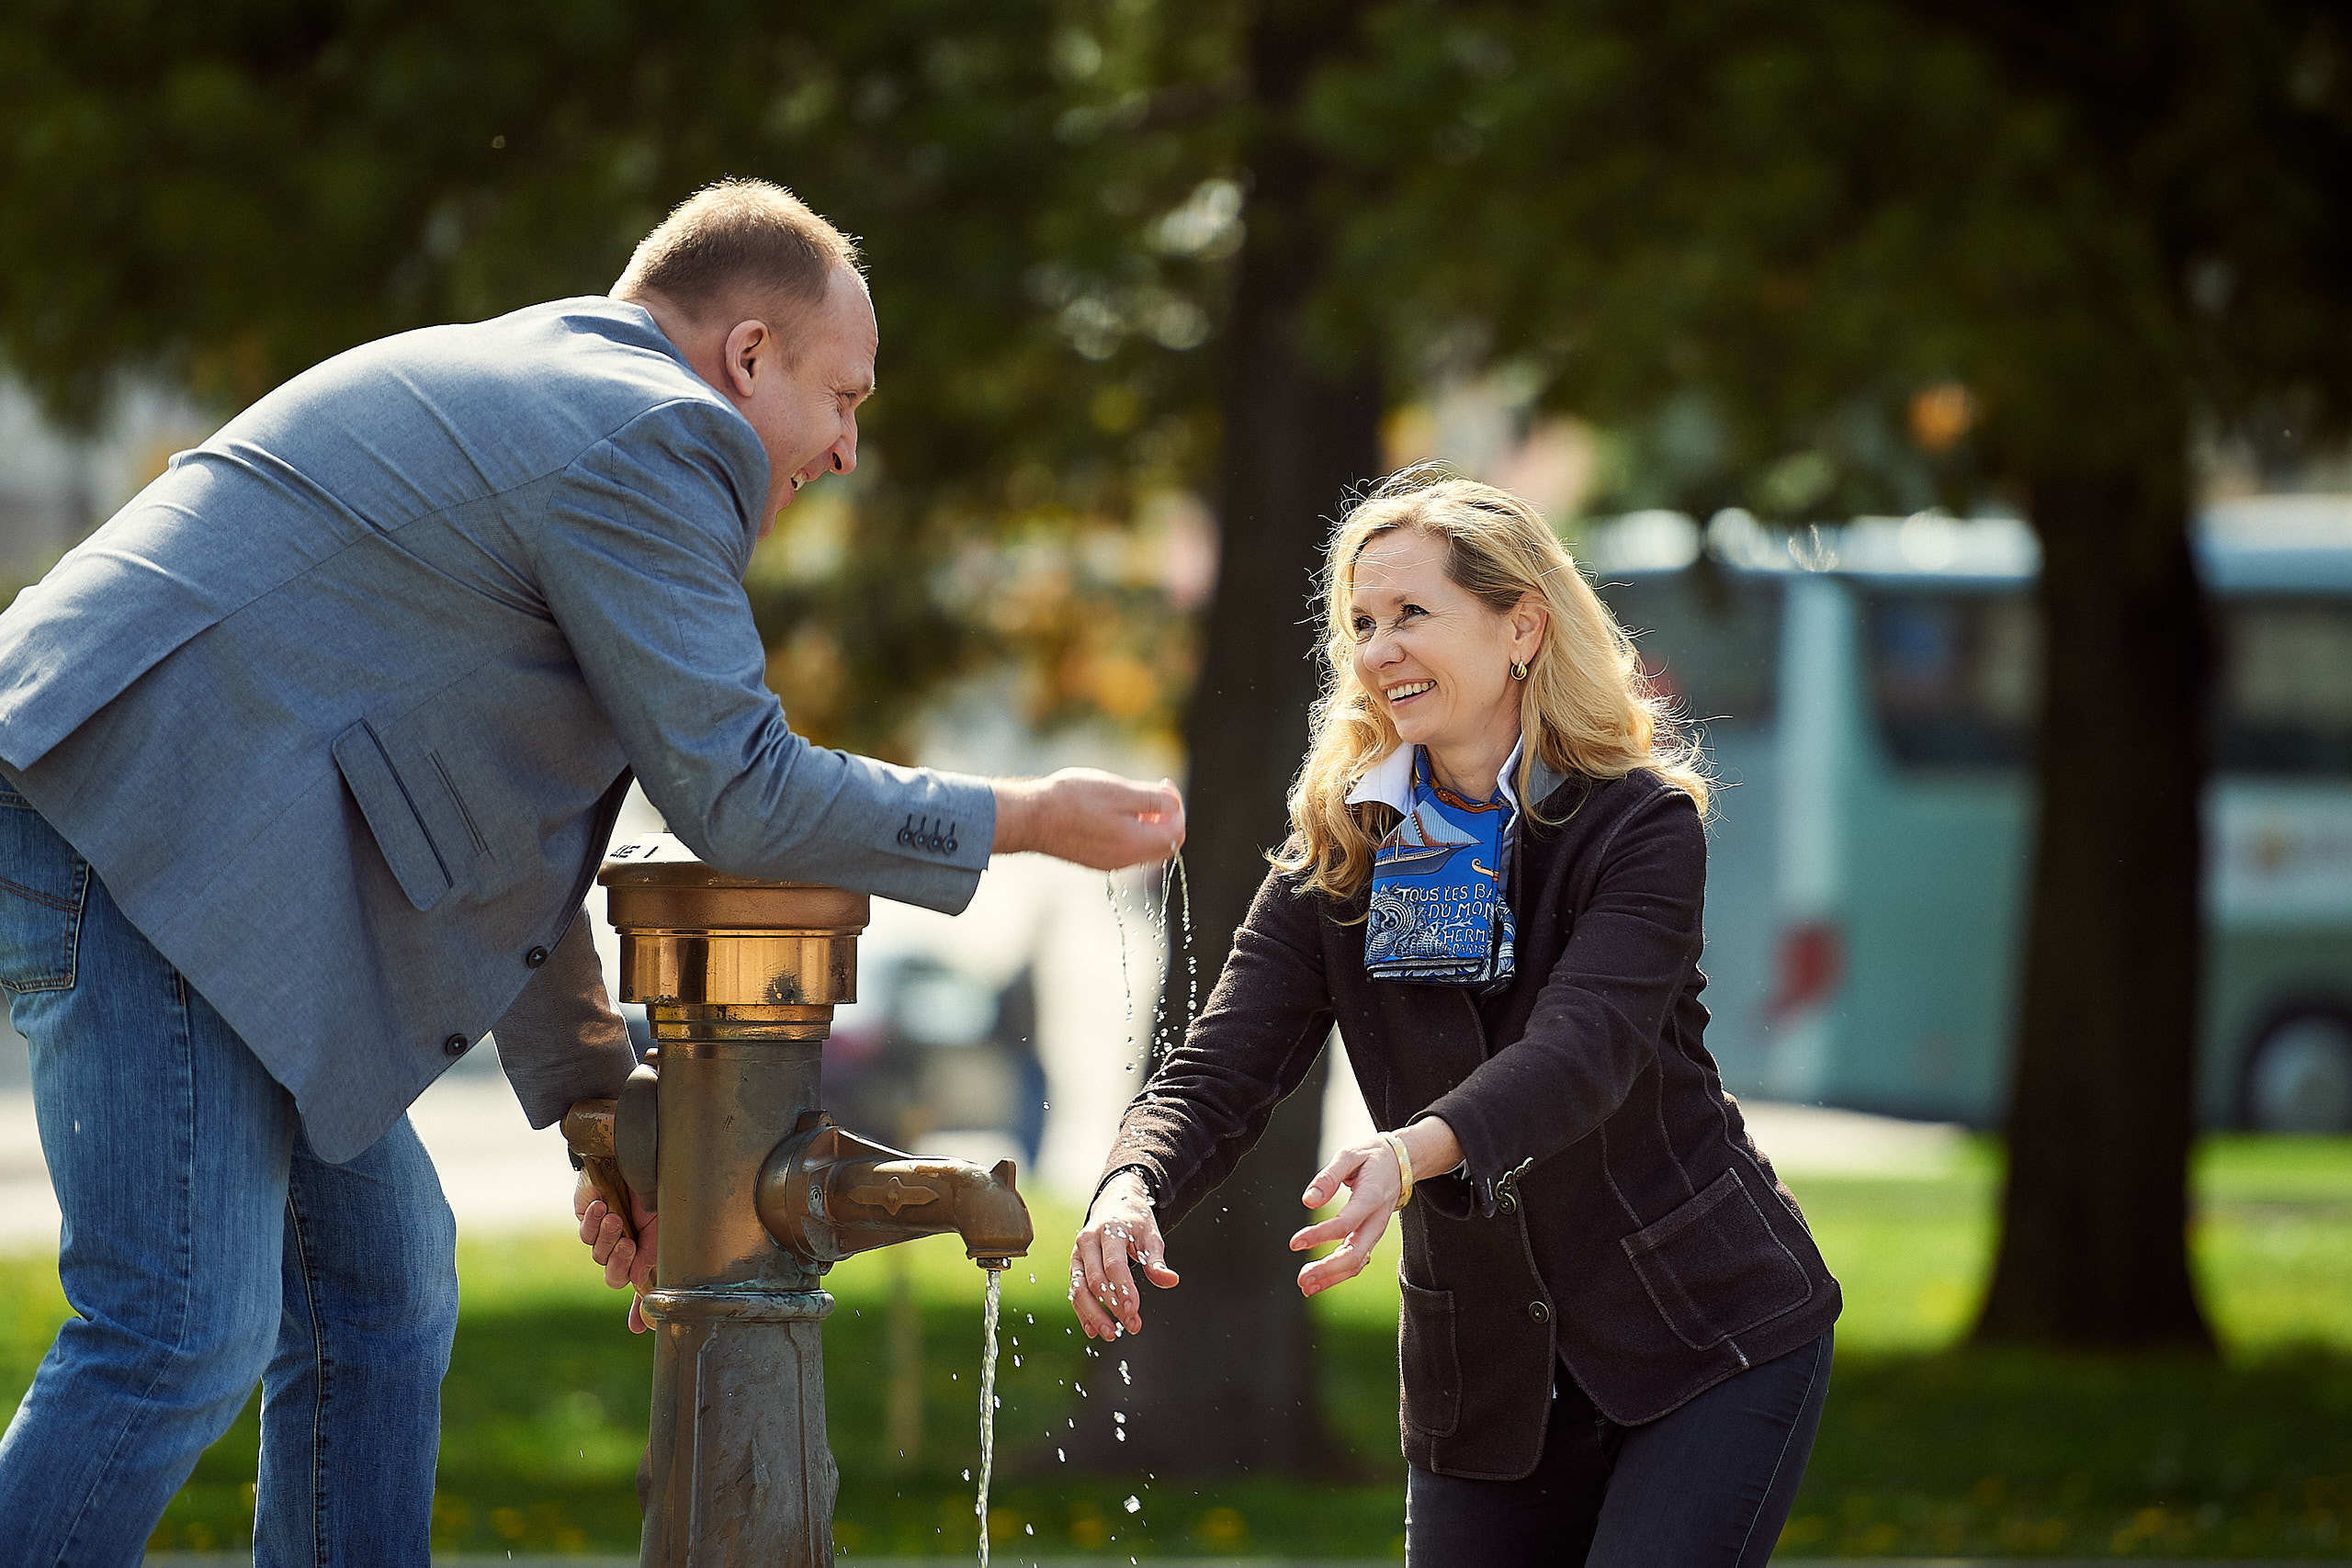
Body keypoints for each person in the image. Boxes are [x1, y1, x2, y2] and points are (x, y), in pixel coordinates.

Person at [0, 178, 1182, 1568]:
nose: (849, 447)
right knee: (177, 1326)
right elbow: (740, 788)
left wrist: (586, 1113)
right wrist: (1027, 813)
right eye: (844, 397)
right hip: (142, 820)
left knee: (381, 1294)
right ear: (750, 353)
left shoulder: (563, 400)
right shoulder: (656, 435)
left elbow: (494, 829)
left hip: (190, 837)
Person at [1071, 471, 1838, 1567]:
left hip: (1704, 1336)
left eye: (1412, 615)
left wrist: (1406, 1154)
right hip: (1483, 1386)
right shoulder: (1339, 852)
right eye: (1363, 624)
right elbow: (1217, 1069)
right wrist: (1128, 1184)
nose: (1378, 650)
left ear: (1521, 625)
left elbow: (1582, 1056)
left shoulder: (1637, 823)